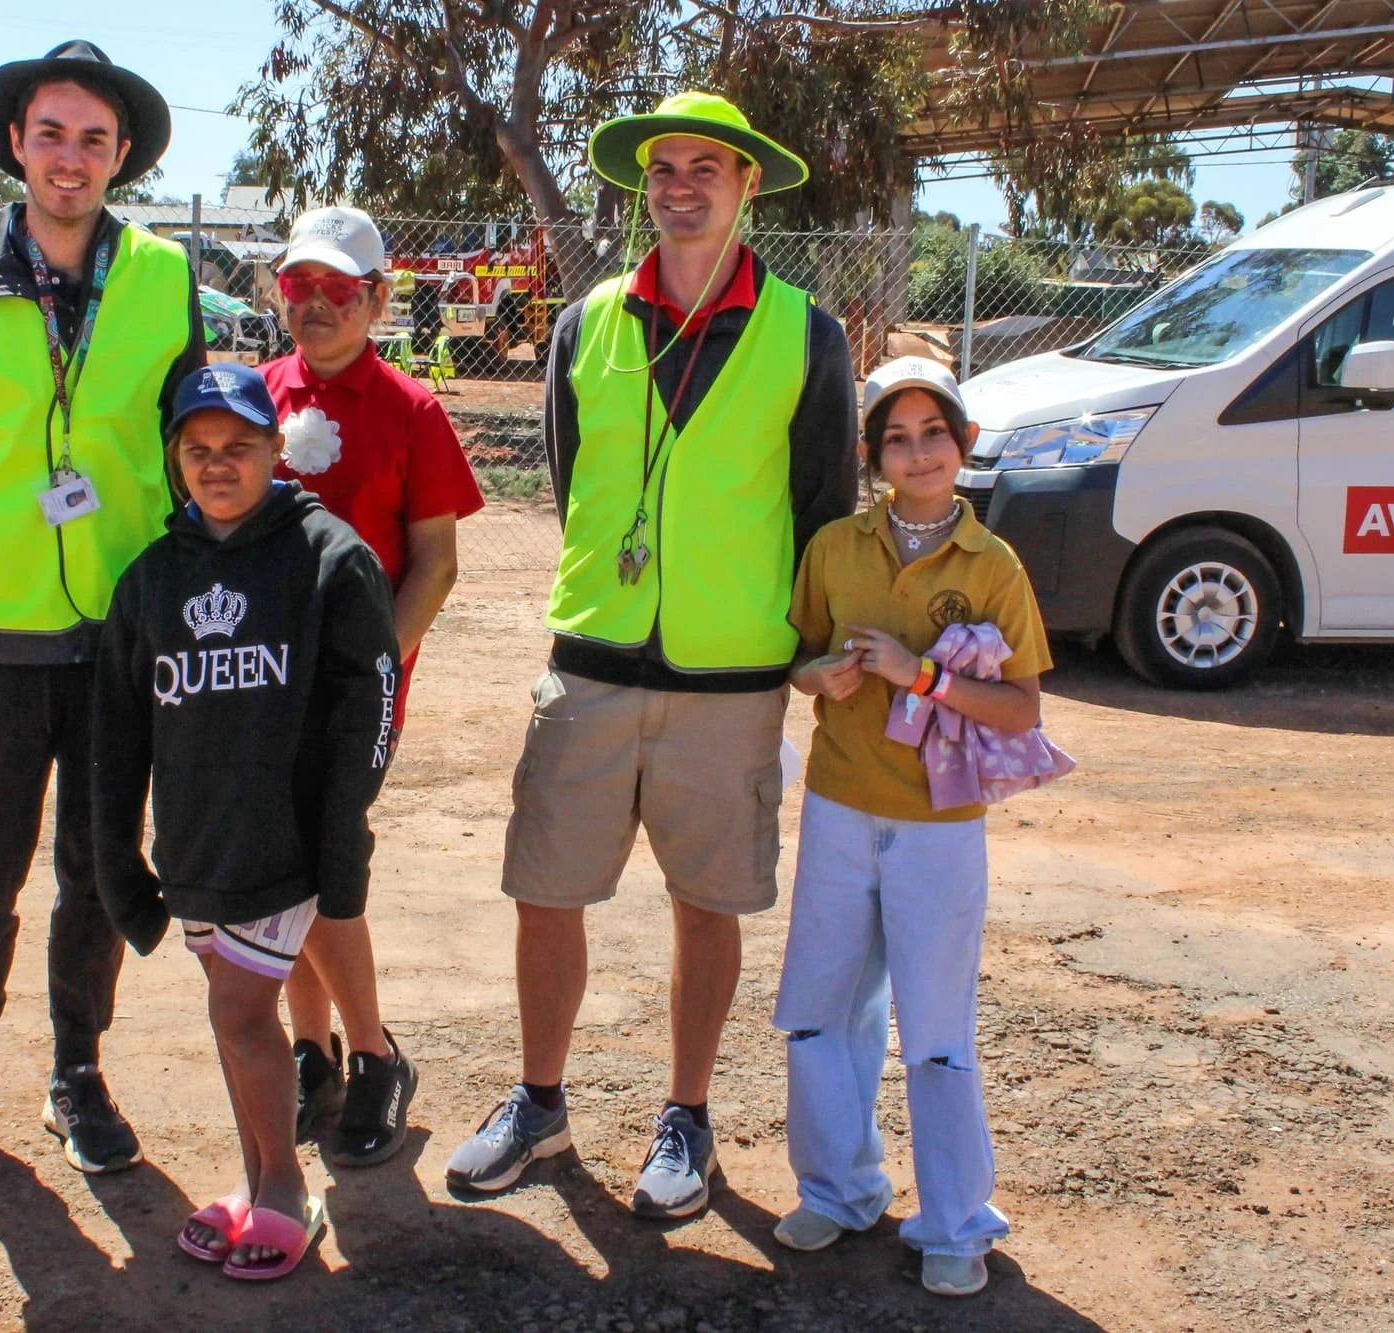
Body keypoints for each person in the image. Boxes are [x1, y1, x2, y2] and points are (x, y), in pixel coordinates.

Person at [446, 91, 858, 1219]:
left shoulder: (806, 333)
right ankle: (539, 1102)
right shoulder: (586, 323)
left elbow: (824, 508)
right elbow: (573, 474)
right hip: (591, 665)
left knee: (703, 903)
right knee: (544, 892)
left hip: (729, 680)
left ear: (745, 186)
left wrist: (802, 648)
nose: (679, 187)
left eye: (703, 168)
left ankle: (686, 1116)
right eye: (661, 169)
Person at [0, 41, 205, 1177]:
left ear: (122, 155)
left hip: (119, 626)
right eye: (52, 134)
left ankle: (80, 1072)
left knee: (99, 863)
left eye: (93, 139)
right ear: (17, 144)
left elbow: (187, 439)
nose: (71, 157)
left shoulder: (163, 277)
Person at [91, 363, 399, 1280]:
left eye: (239, 446)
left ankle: (284, 1191)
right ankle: (258, 1176)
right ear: (175, 458)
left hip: (284, 839)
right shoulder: (153, 578)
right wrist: (117, 854)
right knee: (233, 1019)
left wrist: (341, 840)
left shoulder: (328, 557)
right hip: (196, 843)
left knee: (239, 1009)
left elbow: (369, 707)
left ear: (275, 449)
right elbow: (118, 729)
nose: (217, 464)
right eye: (198, 449)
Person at [775, 357, 1053, 1297]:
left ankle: (954, 1221)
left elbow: (1021, 708)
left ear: (964, 444)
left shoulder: (993, 564)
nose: (918, 452)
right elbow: (798, 655)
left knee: (935, 1029)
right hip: (839, 805)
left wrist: (923, 675)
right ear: (872, 454)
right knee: (819, 1008)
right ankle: (838, 1187)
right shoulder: (835, 547)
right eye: (897, 437)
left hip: (939, 824)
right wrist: (815, 676)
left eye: (935, 433)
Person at [260, 206, 485, 1163]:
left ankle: (375, 1056)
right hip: (261, 682)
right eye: (297, 285)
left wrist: (373, 670)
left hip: (359, 689)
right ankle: (311, 1053)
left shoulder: (412, 411)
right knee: (276, 863)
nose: (315, 304)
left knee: (322, 864)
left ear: (379, 299)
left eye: (338, 288)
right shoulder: (257, 392)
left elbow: (436, 563)